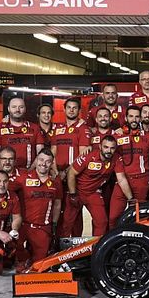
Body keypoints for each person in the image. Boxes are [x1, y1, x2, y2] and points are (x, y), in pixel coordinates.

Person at [65, 135, 133, 236]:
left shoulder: (116, 158)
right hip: (77, 191)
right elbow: (71, 173)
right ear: (100, 146)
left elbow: (122, 179)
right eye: (106, 147)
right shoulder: (89, 156)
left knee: (102, 221)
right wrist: (72, 194)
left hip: (93, 193)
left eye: (112, 148)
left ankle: (97, 247)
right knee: (67, 223)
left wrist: (130, 199)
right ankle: (60, 249)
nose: (109, 151)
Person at [8, 148, 62, 268]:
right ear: (36, 160)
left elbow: (57, 204)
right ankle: (23, 259)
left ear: (52, 163)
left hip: (42, 228)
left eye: (48, 161)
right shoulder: (23, 177)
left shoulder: (56, 181)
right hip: (23, 226)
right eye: (41, 159)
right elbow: (4, 187)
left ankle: (31, 259)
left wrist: (54, 224)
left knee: (39, 266)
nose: (43, 163)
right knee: (14, 248)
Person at [109, 106, 149, 226]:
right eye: (131, 116)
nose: (134, 119)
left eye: (137, 116)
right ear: (126, 118)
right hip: (121, 181)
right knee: (113, 217)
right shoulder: (117, 136)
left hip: (141, 180)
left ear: (140, 118)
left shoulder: (148, 136)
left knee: (139, 218)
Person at [50, 96, 89, 238]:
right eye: (69, 107)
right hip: (58, 176)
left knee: (74, 212)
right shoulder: (58, 128)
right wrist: (55, 171)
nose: (71, 110)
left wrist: (67, 171)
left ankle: (76, 244)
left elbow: (83, 154)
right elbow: (53, 151)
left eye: (75, 108)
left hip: (75, 176)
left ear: (79, 111)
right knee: (59, 211)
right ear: (64, 109)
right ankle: (59, 242)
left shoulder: (83, 128)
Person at [0, 97, 44, 169]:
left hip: (29, 173)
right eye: (14, 107)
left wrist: (29, 171)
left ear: (25, 109)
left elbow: (41, 155)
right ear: (8, 109)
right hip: (6, 174)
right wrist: (9, 171)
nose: (17, 110)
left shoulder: (35, 128)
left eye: (21, 107)